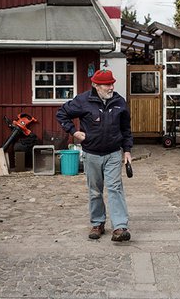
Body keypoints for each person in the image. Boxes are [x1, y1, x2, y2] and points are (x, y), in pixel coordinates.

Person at [56, 68, 133, 241]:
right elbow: (61, 114)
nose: (111, 87)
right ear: (96, 85)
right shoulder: (83, 101)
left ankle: (120, 227)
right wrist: (74, 132)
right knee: (95, 191)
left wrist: (127, 150)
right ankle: (98, 223)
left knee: (115, 188)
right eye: (107, 84)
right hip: (91, 154)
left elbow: (126, 129)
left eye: (112, 83)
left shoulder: (119, 102)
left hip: (113, 153)